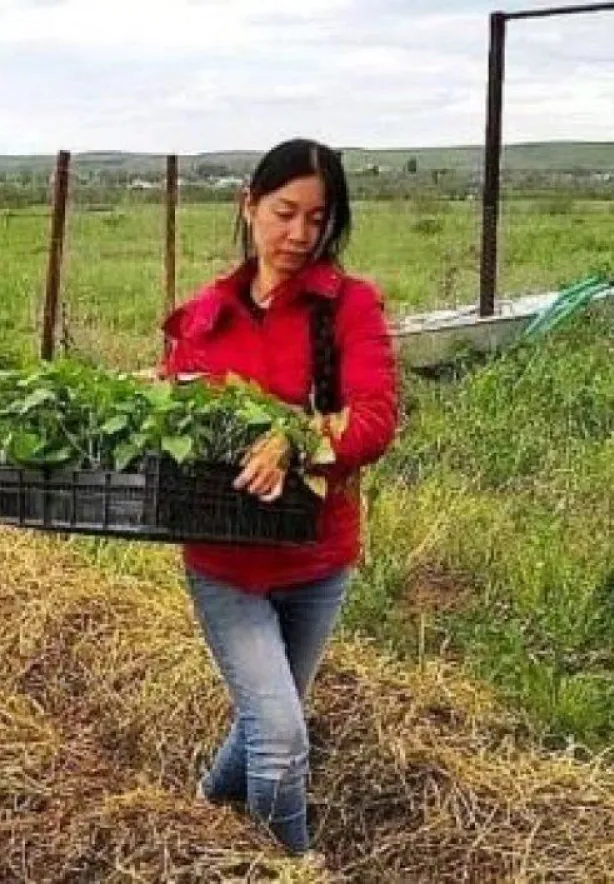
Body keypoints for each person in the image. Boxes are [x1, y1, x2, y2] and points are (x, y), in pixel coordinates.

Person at [159, 138, 399, 855]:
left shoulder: (350, 307)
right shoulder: (206, 316)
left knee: (271, 718)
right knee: (281, 738)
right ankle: (293, 866)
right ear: (249, 206)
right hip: (226, 563)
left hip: (318, 557)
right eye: (284, 213)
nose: (298, 235)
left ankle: (201, 808)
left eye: (317, 219)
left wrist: (295, 438)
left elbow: (377, 416)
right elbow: (179, 422)